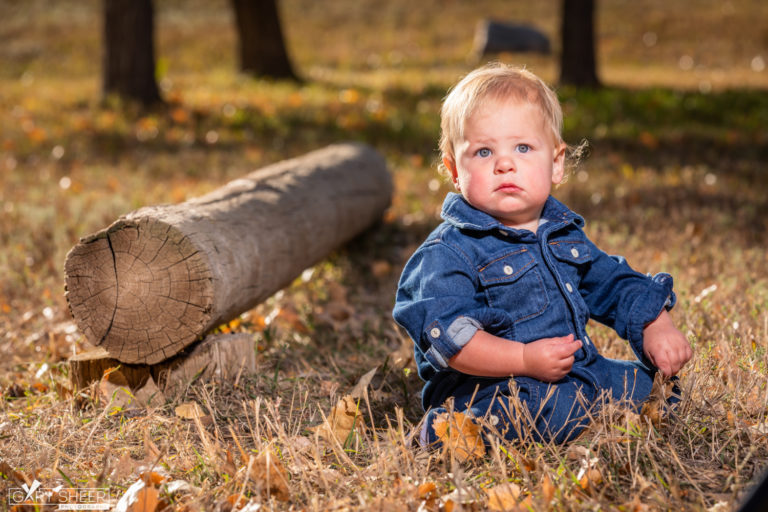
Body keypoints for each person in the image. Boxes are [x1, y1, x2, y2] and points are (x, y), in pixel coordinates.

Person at [392, 63, 693, 450]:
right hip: (496, 388)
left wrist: (655, 323)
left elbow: (612, 282)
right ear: (454, 169)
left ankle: (585, 410)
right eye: (484, 151)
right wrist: (523, 358)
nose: (505, 163)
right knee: (540, 411)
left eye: (522, 148)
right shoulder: (448, 253)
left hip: (578, 372)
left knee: (659, 392)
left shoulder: (562, 232)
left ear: (555, 162)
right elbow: (454, 341)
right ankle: (450, 431)